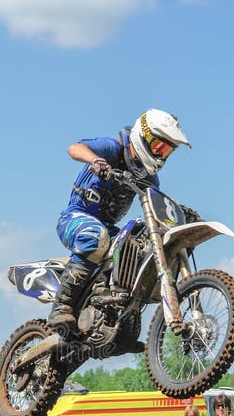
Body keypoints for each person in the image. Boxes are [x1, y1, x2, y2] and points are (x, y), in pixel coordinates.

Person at [47, 109, 192, 339]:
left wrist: (181, 216)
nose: (161, 154)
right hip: (76, 218)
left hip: (109, 229)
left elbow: (156, 206)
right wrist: (96, 161)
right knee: (95, 236)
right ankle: (62, 306)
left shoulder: (149, 177)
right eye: (158, 147)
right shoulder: (113, 149)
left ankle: (121, 323)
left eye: (167, 150)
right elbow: (74, 148)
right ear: (144, 136)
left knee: (137, 250)